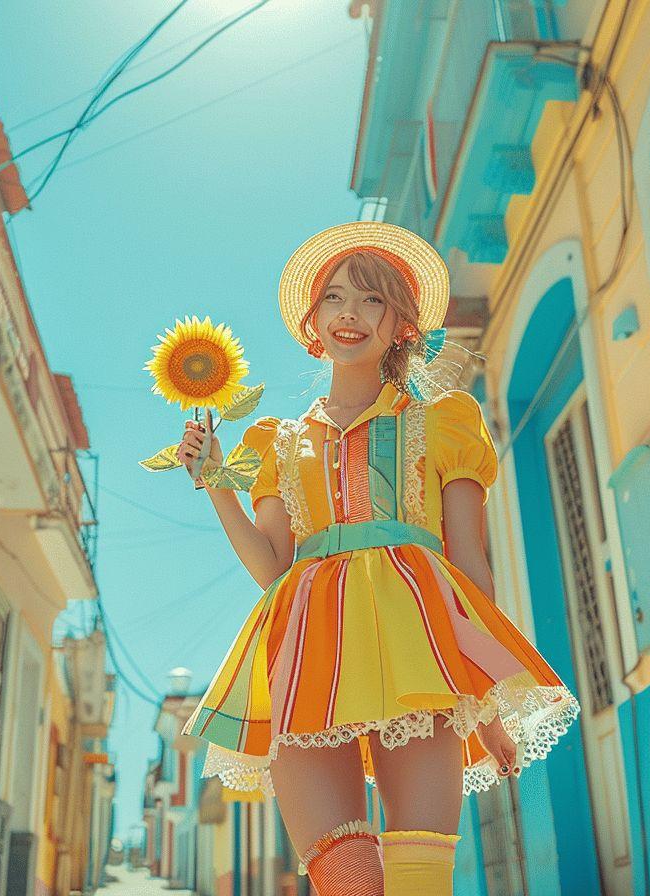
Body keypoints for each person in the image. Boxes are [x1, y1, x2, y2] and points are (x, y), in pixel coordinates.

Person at [175, 221, 579, 895]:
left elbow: (470, 567)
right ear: (314, 322)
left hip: (418, 658)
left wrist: (490, 703)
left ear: (401, 325)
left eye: (371, 300)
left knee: (420, 884)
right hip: (306, 663)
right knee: (349, 886)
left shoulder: (447, 420)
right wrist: (217, 482)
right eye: (334, 298)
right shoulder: (277, 441)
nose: (350, 314)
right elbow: (275, 570)